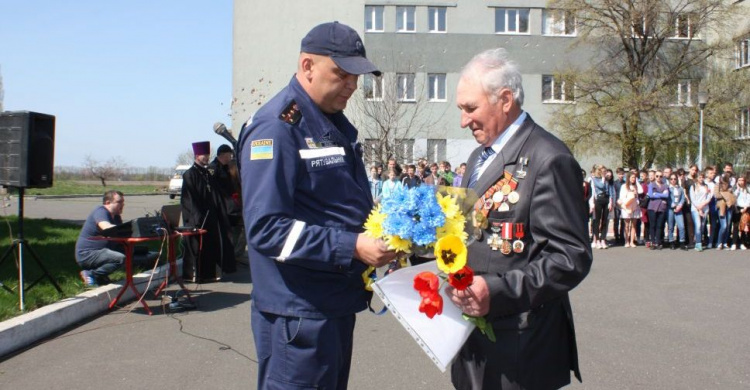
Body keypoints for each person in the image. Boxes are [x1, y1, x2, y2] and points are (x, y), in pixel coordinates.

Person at [236, 22, 397, 389]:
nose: (353, 85)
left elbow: (336, 203)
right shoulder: (276, 129)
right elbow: (265, 229)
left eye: (357, 76)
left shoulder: (329, 122)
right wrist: (353, 246)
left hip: (330, 304)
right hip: (298, 315)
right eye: (341, 74)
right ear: (307, 66)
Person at [448, 48, 592, 389]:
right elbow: (471, 231)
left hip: (521, 348)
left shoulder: (548, 158)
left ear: (505, 100)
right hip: (473, 340)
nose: (463, 121)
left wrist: (496, 291)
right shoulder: (479, 155)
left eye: (471, 108)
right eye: (461, 109)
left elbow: (571, 257)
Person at [75, 190, 159, 286]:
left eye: (123, 202)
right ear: (107, 203)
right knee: (120, 258)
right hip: (88, 254)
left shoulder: (116, 216)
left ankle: (102, 275)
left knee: (133, 250)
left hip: (104, 250)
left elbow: (121, 235)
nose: (123, 205)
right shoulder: (100, 211)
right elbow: (105, 226)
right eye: (119, 202)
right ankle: (91, 274)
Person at [181, 141, 236, 282]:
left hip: (210, 216)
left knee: (211, 246)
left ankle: (208, 274)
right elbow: (189, 199)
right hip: (197, 217)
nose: (206, 157)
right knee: (197, 247)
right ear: (197, 155)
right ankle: (195, 275)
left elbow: (216, 194)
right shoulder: (190, 174)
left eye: (207, 154)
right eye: (203, 155)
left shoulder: (207, 173)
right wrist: (197, 217)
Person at [209, 144, 245, 261]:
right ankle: (231, 255)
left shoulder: (225, 167)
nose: (230, 158)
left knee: (238, 229)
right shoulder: (213, 169)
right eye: (229, 156)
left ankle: (234, 254)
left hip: (232, 205)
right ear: (223, 155)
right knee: (231, 231)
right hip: (224, 206)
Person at [618, 172, 642, 247]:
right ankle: (626, 241)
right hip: (627, 207)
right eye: (632, 177)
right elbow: (621, 198)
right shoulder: (624, 186)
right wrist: (626, 205)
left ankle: (632, 241)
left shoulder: (636, 186)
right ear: (628, 178)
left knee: (634, 225)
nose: (633, 179)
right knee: (627, 225)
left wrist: (637, 183)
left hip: (635, 206)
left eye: (634, 177)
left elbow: (641, 191)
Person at [690, 173, 711, 252]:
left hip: (705, 208)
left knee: (702, 226)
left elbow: (709, 197)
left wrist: (703, 205)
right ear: (697, 178)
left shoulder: (706, 186)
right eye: (699, 177)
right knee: (698, 225)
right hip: (695, 208)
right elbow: (693, 199)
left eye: (702, 177)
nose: (701, 178)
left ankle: (697, 238)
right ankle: (698, 244)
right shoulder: (693, 187)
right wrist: (699, 208)